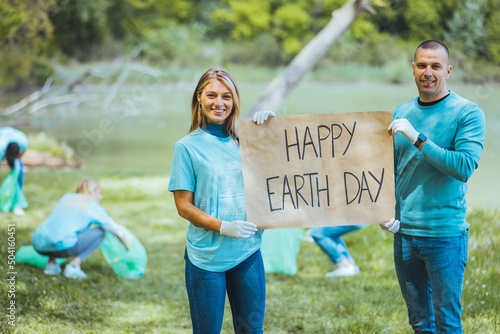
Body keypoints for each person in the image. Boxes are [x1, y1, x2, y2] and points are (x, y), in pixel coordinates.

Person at [380, 40, 486, 333]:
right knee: (420, 322)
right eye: (422, 65)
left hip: (444, 236)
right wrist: (381, 212)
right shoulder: (400, 113)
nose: (429, 72)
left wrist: (419, 138)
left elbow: (464, 167)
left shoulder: (468, 113)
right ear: (413, 69)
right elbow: (387, 171)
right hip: (404, 235)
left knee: (447, 323)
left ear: (448, 70)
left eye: (436, 66)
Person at [168, 68, 272, 334]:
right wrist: (223, 226)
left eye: (227, 96)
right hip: (206, 258)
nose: (219, 103)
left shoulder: (247, 141)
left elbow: (279, 175)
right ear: (199, 98)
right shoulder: (186, 147)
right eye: (212, 95)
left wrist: (272, 132)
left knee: (251, 331)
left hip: (247, 253)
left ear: (235, 100)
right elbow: (184, 207)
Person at [32, 178, 130, 279]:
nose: (100, 197)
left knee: (59, 231)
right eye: (99, 193)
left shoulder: (67, 197)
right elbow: (115, 229)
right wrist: (128, 247)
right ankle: (73, 266)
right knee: (100, 232)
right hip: (63, 247)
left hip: (39, 244)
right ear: (93, 192)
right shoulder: (91, 205)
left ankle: (51, 265)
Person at [0, 126, 29, 215]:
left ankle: (17, 202)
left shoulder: (23, 141)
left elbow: (21, 154)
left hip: (13, 141)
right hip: (3, 137)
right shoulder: (1, 149)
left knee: (18, 170)